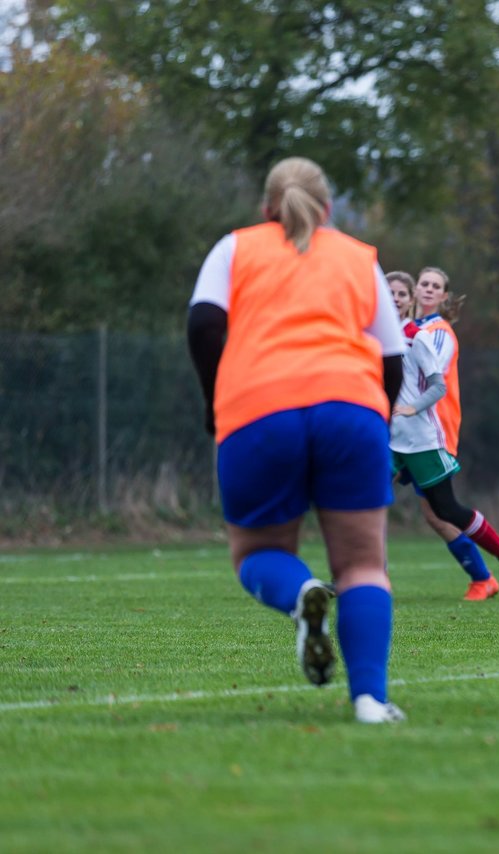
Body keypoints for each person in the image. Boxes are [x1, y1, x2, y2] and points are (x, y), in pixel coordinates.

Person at [186, 157, 407, 723]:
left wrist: (219, 397)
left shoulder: (234, 248)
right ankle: (369, 702)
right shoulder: (359, 258)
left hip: (259, 409)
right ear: (328, 208)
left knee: (258, 553)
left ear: (267, 207)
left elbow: (203, 324)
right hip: (350, 406)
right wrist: (373, 422)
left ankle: (302, 593)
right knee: (361, 564)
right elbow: (391, 357)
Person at [398, 265, 499, 600]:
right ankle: (486, 575)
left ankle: (494, 567)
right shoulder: (406, 328)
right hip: (400, 431)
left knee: (442, 510)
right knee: (431, 511)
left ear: (443, 296)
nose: (426, 289)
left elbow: (426, 379)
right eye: (422, 282)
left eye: (434, 285)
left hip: (430, 431)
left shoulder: (435, 332)